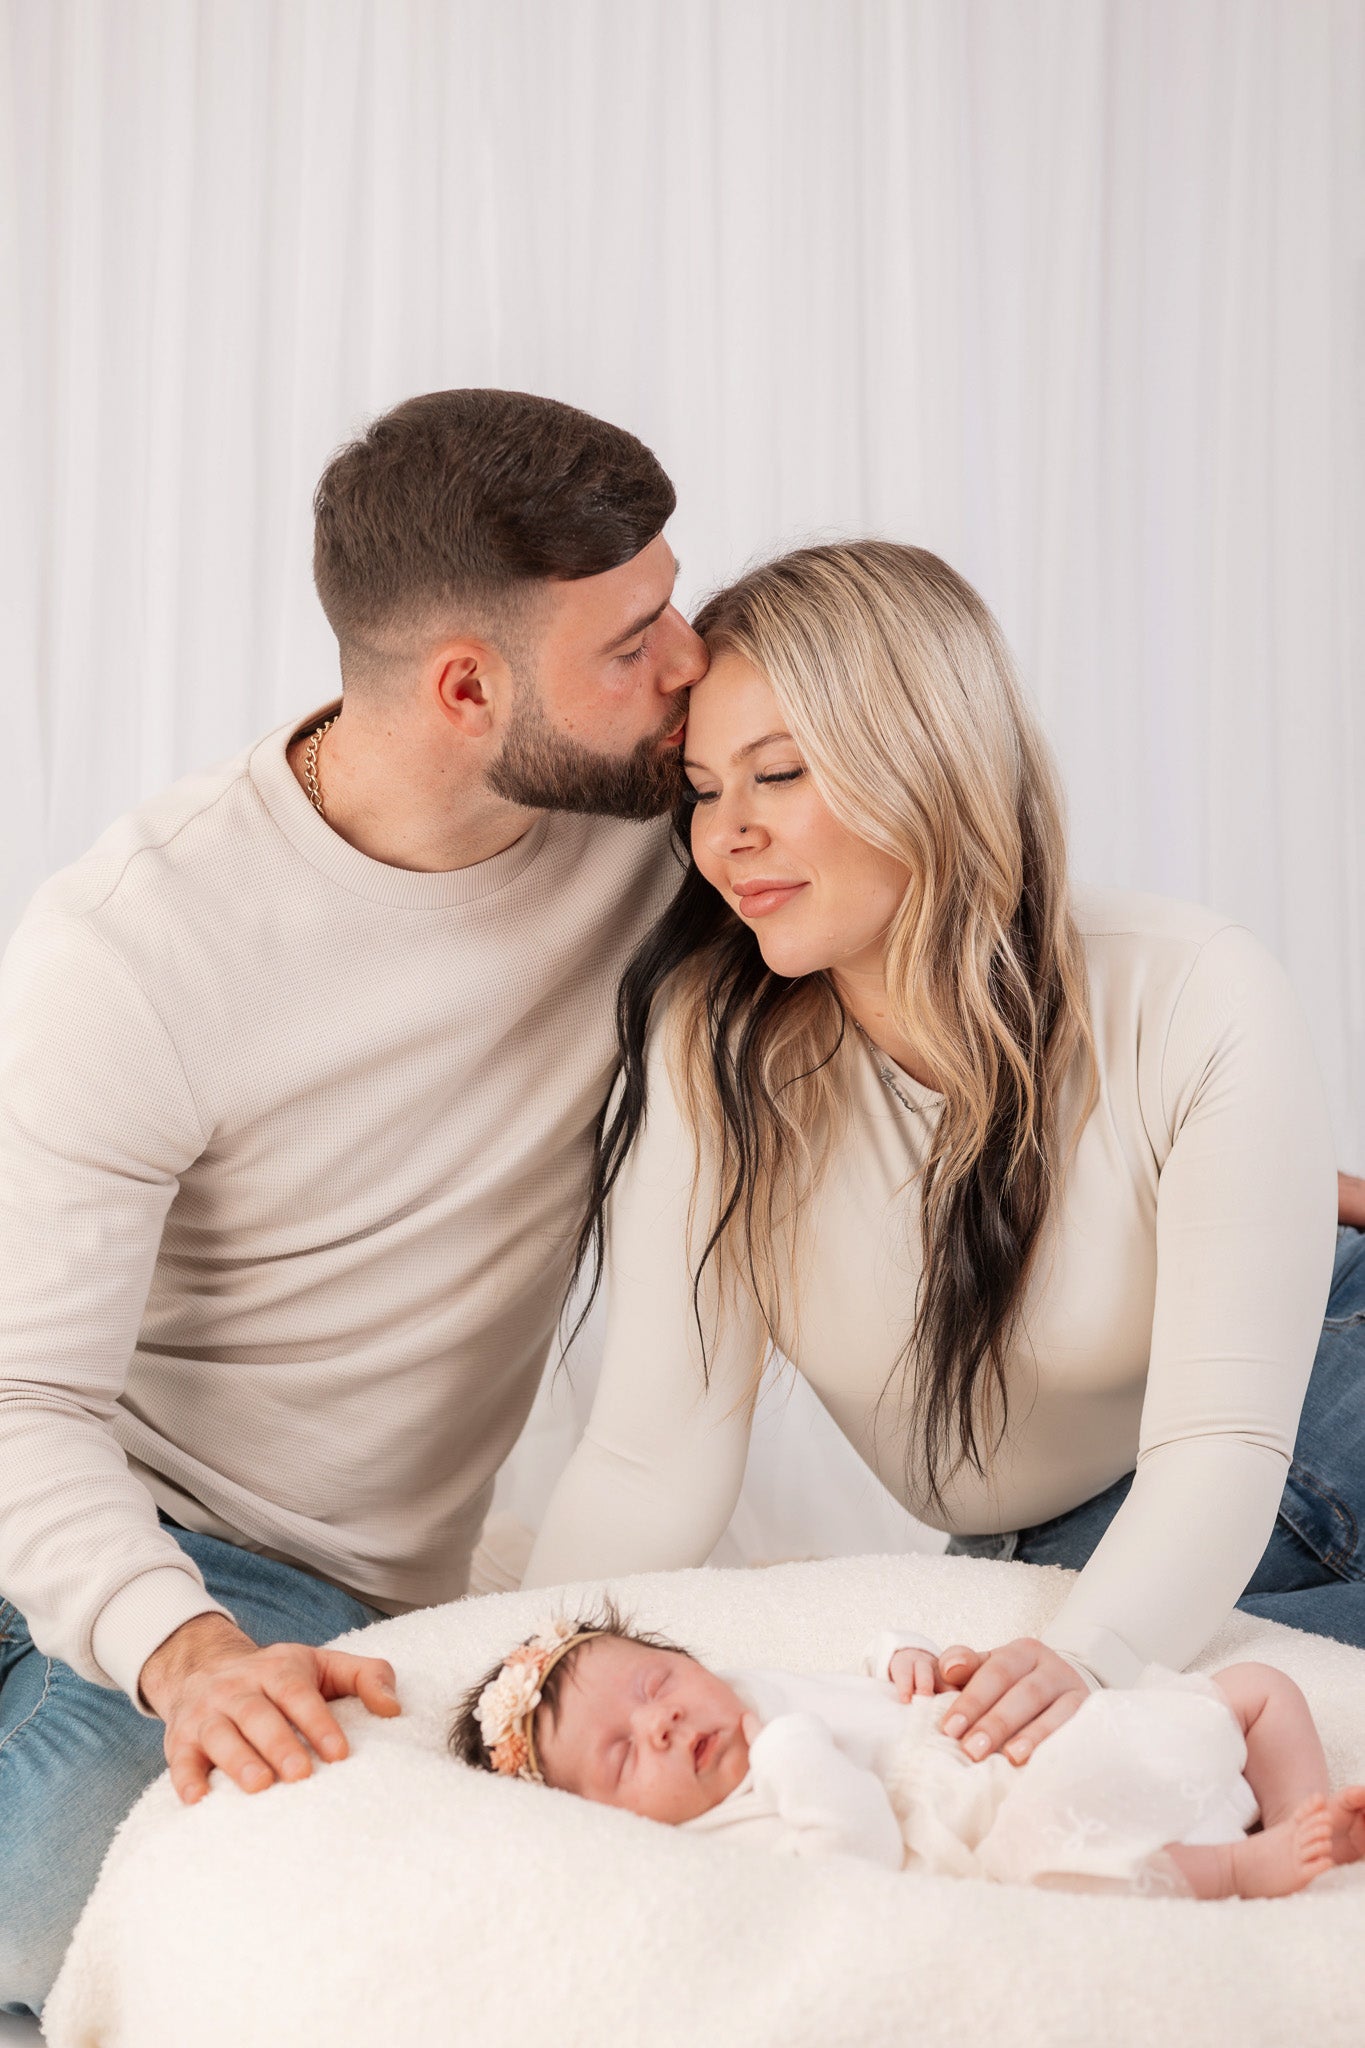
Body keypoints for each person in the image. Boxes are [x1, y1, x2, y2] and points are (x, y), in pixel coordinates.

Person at [0, 387, 706, 2017]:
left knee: (54, 1907)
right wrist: (176, 1652)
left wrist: (1185, 1125)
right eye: (634, 638)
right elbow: (28, 1389)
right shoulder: (134, 947)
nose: (687, 661)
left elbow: (933, 890)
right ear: (468, 688)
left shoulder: (670, 819)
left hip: (278, 1553)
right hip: (84, 1488)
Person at [522, 538, 1365, 1793]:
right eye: (703, 788)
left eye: (780, 773)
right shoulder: (717, 1048)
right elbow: (654, 1453)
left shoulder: (1195, 990)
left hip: (1312, 1432)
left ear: (925, 759)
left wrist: (1092, 1655)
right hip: (1062, 1549)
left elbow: (1223, 1438)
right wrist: (519, 1672)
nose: (727, 836)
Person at [450, 1605, 1365, 1901]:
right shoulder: (726, 1828)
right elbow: (858, 1856)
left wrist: (905, 1659)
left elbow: (860, 1675)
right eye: (620, 1757)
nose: (658, 1723)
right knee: (1059, 1855)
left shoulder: (744, 1693)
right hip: (1002, 1816)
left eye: (655, 1685)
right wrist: (789, 1749)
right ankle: (1251, 1864)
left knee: (1257, 1691)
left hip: (1034, 1741)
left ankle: (1297, 1815)